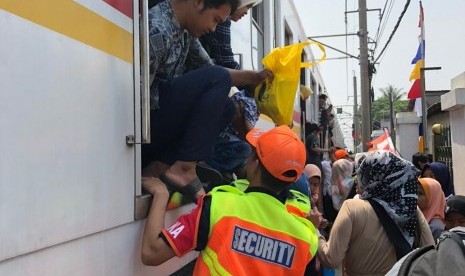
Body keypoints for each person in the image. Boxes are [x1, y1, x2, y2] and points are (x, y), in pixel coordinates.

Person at [141, 126, 320, 275]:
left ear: (255, 165)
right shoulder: (305, 238)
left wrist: (160, 195)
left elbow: (152, 252)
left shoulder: (218, 206)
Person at [143, 0, 272, 200]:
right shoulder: (157, 29)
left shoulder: (184, 32)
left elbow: (213, 70)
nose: (213, 29)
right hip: (144, 128)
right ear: (198, 2)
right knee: (218, 80)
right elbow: (138, 104)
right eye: (215, 20)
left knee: (227, 107)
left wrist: (256, 77)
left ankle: (159, 167)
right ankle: (183, 167)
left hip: (159, 124)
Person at [317, 151, 434, 276]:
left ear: (374, 177)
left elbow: (331, 259)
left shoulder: (352, 207)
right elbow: (430, 252)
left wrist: (315, 231)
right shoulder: (410, 209)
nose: (356, 179)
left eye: (363, 173)